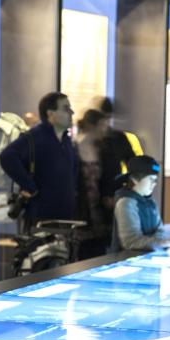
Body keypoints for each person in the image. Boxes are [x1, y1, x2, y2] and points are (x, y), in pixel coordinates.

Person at [0, 92, 77, 232]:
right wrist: (30, 186)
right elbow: (7, 157)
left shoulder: (66, 140)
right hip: (41, 218)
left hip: (65, 218)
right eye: (65, 108)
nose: (71, 112)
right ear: (50, 114)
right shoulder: (35, 137)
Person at [96, 97, 144, 220]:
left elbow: (133, 165)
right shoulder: (93, 138)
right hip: (99, 196)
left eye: (107, 118)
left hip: (111, 194)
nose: (105, 122)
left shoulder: (117, 138)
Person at [110, 155, 167, 253]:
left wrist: (159, 242)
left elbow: (160, 231)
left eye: (155, 179)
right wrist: (159, 243)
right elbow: (131, 241)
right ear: (135, 179)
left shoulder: (151, 202)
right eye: (150, 179)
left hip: (148, 255)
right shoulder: (125, 202)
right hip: (126, 260)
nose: (154, 183)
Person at [75, 109, 110, 259]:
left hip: (98, 207)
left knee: (98, 249)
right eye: (102, 125)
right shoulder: (75, 147)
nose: (105, 130)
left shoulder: (102, 149)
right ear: (91, 126)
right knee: (83, 250)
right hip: (82, 206)